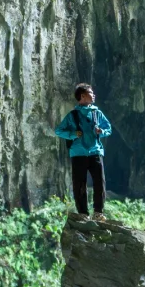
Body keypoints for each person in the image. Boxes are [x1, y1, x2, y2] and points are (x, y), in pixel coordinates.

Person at [54, 83, 113, 221]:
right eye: (91, 93)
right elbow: (59, 130)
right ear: (83, 96)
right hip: (78, 153)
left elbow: (108, 128)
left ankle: (98, 212)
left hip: (95, 151)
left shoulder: (97, 113)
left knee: (100, 182)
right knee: (79, 184)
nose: (94, 95)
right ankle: (83, 213)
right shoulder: (72, 115)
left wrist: (101, 131)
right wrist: (73, 134)